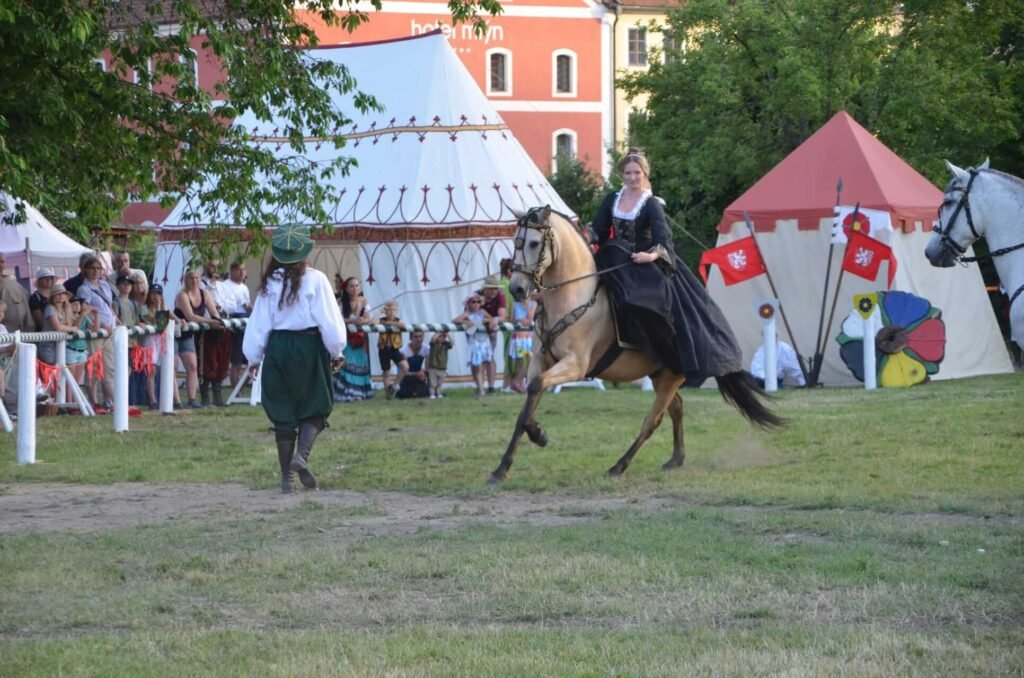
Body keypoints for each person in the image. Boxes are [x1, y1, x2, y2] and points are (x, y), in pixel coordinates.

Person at [590, 149, 745, 384]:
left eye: (637, 173)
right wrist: (583, 235)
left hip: (642, 263)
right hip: (614, 259)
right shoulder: (613, 199)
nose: (632, 178)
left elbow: (664, 240)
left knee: (638, 301)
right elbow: (599, 231)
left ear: (644, 174)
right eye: (628, 173)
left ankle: (652, 354)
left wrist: (650, 256)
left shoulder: (650, 204)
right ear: (622, 174)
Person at [243, 224, 346, 493]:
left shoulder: (268, 283)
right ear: (304, 252)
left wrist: (253, 357)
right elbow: (330, 320)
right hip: (308, 347)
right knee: (316, 404)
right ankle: (301, 457)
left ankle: (286, 480)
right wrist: (336, 351)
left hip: (278, 348)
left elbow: (259, 323)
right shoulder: (317, 279)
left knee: (283, 412)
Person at [174, 269, 224, 408]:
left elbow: (214, 312)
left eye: (197, 278)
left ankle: (192, 400)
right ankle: (176, 401)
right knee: (173, 367)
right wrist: (210, 322)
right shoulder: (182, 295)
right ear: (186, 280)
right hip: (175, 332)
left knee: (192, 365)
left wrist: (219, 322)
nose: (195, 281)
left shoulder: (205, 293)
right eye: (191, 278)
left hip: (188, 334)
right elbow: (190, 316)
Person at [76, 254, 118, 410]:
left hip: (109, 330)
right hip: (96, 332)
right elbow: (85, 312)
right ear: (85, 270)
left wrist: (116, 322)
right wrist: (99, 325)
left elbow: (110, 307)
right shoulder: (83, 289)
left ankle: (110, 400)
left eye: (98, 268)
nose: (95, 271)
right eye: (92, 268)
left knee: (109, 366)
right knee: (94, 366)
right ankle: (93, 401)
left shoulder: (105, 285)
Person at [333, 276, 374, 402]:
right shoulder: (340, 302)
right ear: (346, 288)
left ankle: (359, 393)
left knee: (360, 363)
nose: (354, 288)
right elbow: (337, 319)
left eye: (357, 285)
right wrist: (353, 320)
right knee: (345, 364)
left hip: (360, 339)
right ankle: (345, 393)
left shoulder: (364, 301)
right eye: (351, 286)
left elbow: (368, 318)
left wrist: (363, 320)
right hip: (346, 339)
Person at [219, 261, 252, 387]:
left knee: (251, 358)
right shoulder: (225, 286)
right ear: (232, 271)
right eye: (239, 270)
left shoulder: (244, 287)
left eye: (244, 270)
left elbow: (248, 306)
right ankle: (235, 388)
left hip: (246, 322)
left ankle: (242, 386)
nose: (242, 272)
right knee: (236, 360)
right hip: (234, 321)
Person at [453, 293, 493, 397]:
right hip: (474, 342)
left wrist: (481, 321)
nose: (476, 304)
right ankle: (480, 389)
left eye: (478, 302)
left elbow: (492, 319)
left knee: (483, 365)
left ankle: (480, 387)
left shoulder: (482, 312)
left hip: (484, 341)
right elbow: (455, 320)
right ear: (468, 304)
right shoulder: (467, 314)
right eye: (473, 302)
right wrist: (467, 322)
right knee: (477, 366)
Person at [479, 274, 506, 393]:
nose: (494, 291)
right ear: (485, 289)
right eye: (491, 288)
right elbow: (471, 315)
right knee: (479, 359)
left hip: (491, 330)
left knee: (489, 357)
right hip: (478, 331)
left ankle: (490, 386)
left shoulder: (500, 296)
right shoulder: (476, 296)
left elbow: (502, 316)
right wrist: (492, 319)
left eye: (495, 288)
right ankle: (480, 386)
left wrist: (494, 319)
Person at [376, 300, 408, 400]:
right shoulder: (381, 321)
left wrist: (390, 323)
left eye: (394, 310)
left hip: (395, 349)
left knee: (405, 367)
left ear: (397, 311)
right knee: (386, 372)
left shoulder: (398, 321)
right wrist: (380, 312)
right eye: (389, 310)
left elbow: (404, 326)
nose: (392, 312)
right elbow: (372, 322)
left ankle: (393, 386)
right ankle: (388, 394)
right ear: (386, 311)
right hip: (383, 349)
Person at [507, 295, 536, 393]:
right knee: (519, 361)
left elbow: (530, 319)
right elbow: (511, 319)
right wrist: (519, 320)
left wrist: (527, 306)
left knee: (530, 359)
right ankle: (519, 383)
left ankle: (518, 381)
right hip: (519, 337)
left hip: (528, 337)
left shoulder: (533, 304)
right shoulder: (514, 305)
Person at [0, 253, 32, 334]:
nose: (1, 264)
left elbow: (25, 305)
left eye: (2, 262)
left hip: (19, 329)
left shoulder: (13, 281)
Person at [395, 330, 430, 399]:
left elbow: (428, 367)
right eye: (416, 337)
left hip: (418, 374)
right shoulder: (404, 351)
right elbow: (404, 372)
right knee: (406, 394)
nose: (418, 339)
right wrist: (416, 374)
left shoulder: (426, 349)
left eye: (420, 336)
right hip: (407, 375)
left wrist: (423, 372)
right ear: (411, 338)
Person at [426, 330, 453, 399]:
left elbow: (452, 343)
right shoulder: (433, 344)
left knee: (440, 382)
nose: (441, 338)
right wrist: (438, 333)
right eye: (440, 337)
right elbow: (433, 339)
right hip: (433, 366)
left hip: (442, 367)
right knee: (432, 382)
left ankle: (439, 393)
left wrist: (448, 335)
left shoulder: (446, 345)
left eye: (443, 337)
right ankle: (432, 394)